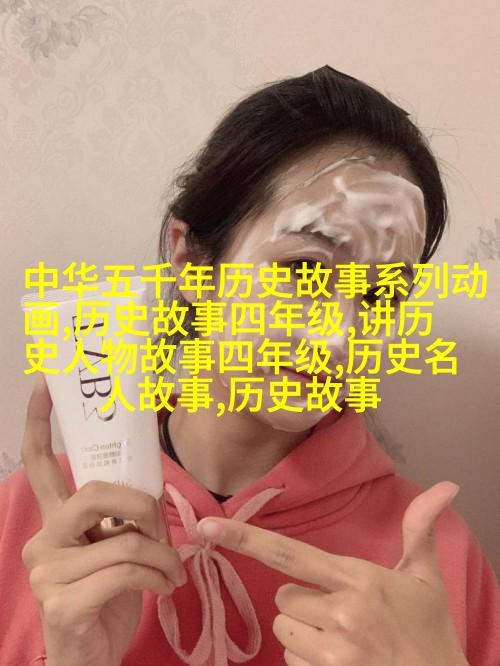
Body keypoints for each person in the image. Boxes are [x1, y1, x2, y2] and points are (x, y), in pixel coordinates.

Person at [1, 65, 499, 665]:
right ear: (192, 262)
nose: (340, 336)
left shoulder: (433, 561)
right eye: (303, 271)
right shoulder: (32, 521)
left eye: (380, 295)